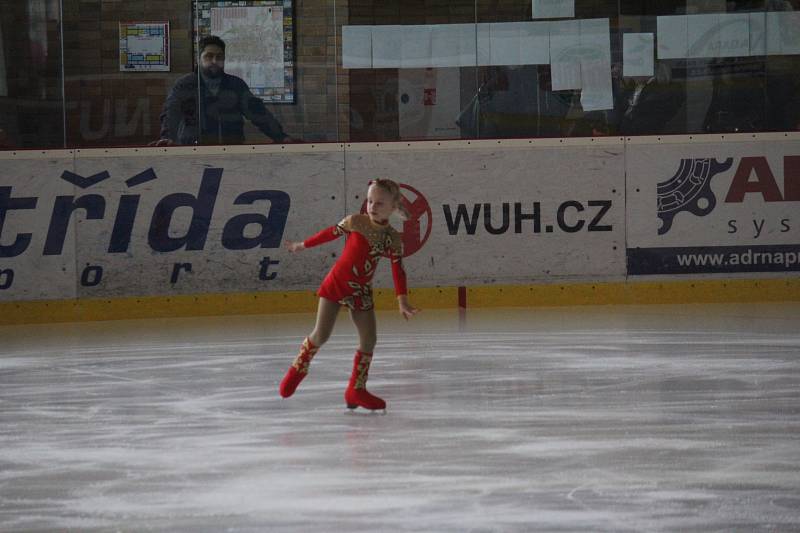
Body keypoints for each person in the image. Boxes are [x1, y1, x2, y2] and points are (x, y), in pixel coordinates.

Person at [279, 178, 419, 411]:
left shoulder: (392, 238)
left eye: (380, 203)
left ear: (394, 207)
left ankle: (356, 389)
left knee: (369, 339)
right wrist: (301, 245)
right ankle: (298, 367)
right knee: (321, 334)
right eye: (370, 201)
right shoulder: (356, 221)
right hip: (336, 284)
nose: (372, 206)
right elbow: (328, 234)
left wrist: (402, 301)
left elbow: (398, 269)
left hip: (360, 291)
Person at [154, 35, 289, 146]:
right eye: (209, 56)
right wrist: (167, 137)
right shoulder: (185, 84)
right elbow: (171, 112)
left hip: (231, 151)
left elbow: (258, 113)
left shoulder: (236, 85)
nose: (214, 60)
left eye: (219, 57)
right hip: (193, 152)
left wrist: (281, 137)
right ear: (198, 59)